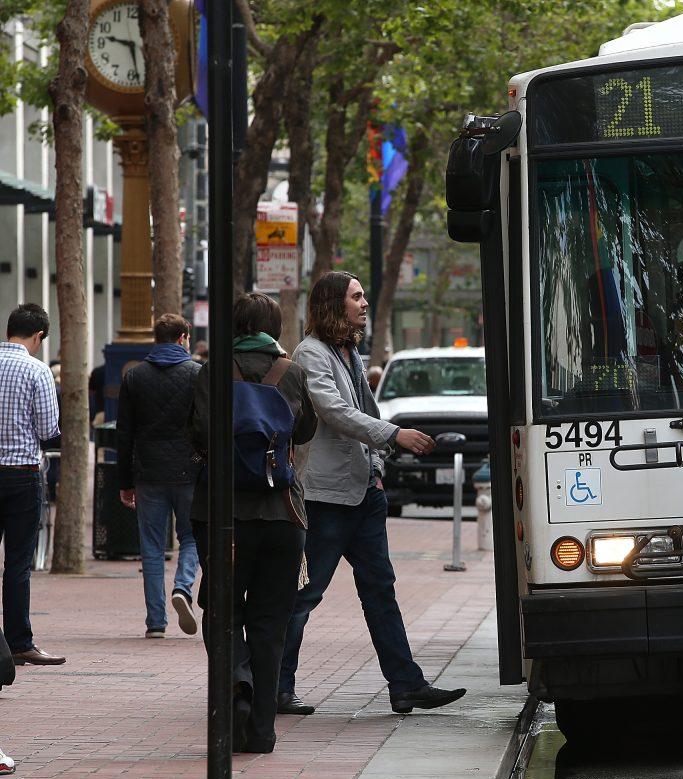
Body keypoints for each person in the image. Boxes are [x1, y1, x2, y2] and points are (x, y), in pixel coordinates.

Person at [277, 271, 465, 716]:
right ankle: (278, 687)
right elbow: (334, 412)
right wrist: (392, 435)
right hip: (326, 498)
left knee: (380, 590)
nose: (365, 303)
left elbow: (364, 408)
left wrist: (377, 467)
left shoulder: (349, 352)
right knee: (305, 594)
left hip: (363, 493)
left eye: (364, 295)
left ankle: (405, 685)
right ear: (332, 304)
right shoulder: (311, 354)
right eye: (356, 296)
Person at [189, 293, 318, 752]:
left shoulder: (213, 369)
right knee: (271, 622)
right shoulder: (292, 372)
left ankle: (236, 685)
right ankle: (262, 730)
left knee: (223, 611)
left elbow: (200, 431)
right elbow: (305, 431)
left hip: (223, 516)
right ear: (275, 327)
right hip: (284, 514)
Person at [116, 314, 201, 638]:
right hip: (189, 471)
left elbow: (125, 434)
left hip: (148, 472)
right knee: (192, 537)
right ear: (183, 338)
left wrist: (125, 482)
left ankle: (156, 622)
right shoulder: (197, 374)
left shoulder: (134, 377)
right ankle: (183, 587)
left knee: (151, 547)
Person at [0, 304, 64, 666]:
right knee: (18, 563)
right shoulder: (37, 370)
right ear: (38, 336)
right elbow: (47, 430)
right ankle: (18, 642)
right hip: (22, 475)